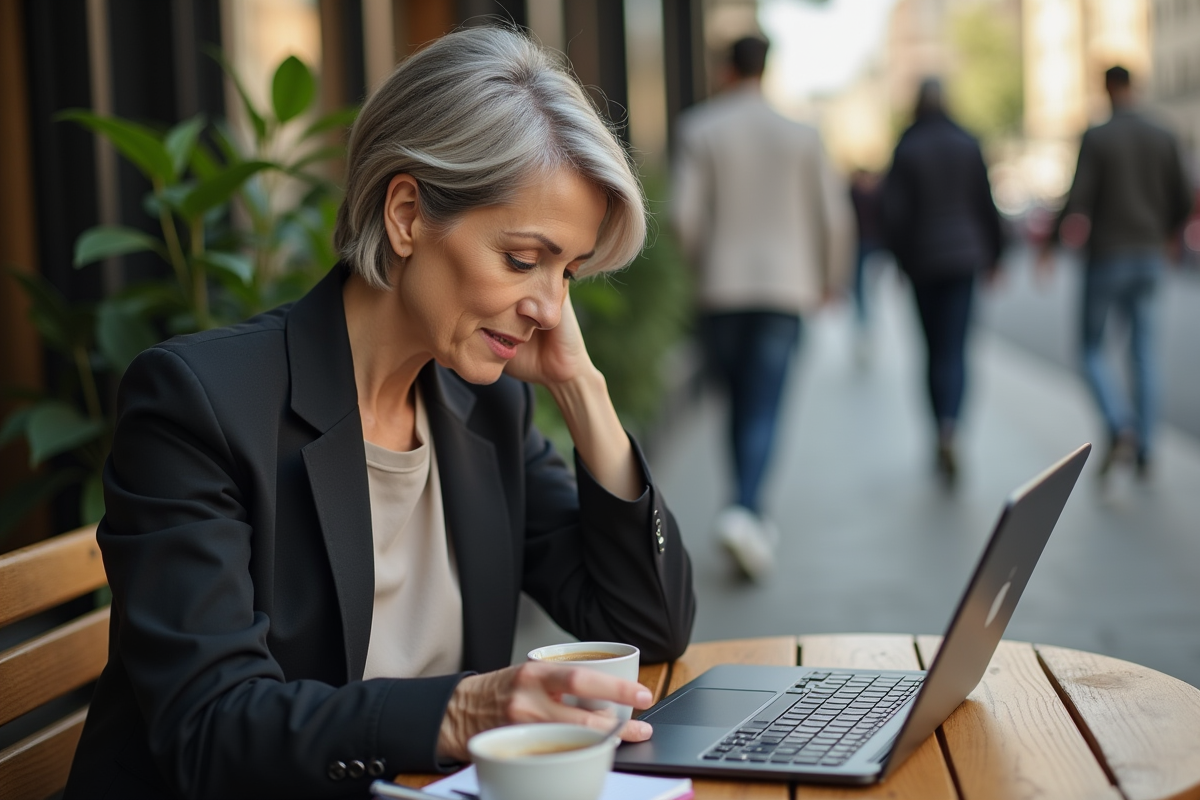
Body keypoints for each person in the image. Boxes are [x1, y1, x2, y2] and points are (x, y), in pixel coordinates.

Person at [64, 28, 695, 799]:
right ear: (405, 214)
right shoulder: (201, 405)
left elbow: (647, 626)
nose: (548, 306)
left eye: (569, 272)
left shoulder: (485, 409)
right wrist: (462, 711)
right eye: (524, 260)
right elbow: (211, 727)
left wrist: (582, 387)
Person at [671, 35, 853, 580]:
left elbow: (683, 216)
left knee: (736, 404)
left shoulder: (699, 128)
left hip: (720, 291)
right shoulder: (802, 133)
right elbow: (836, 218)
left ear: (727, 68)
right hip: (784, 289)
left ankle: (743, 508)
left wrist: (703, 265)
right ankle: (747, 510)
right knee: (764, 405)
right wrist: (829, 279)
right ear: (766, 67)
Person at [1039, 65, 1193, 480]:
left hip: (1107, 255)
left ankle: (1118, 423)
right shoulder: (1163, 133)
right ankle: (1145, 447)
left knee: (1090, 346)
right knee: (1144, 351)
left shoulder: (1098, 136)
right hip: (1148, 255)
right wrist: (1165, 233)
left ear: (1107, 88)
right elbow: (1183, 196)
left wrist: (1050, 244)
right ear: (1135, 86)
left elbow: (1078, 197)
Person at [882, 78, 1003, 486]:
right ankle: (952, 426)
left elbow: (892, 214)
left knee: (932, 351)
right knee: (955, 349)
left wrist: (898, 261)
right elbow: (985, 203)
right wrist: (996, 256)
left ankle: (939, 428)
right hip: (964, 258)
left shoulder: (907, 146)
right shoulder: (967, 142)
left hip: (922, 262)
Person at [849, 168, 887, 365]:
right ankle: (863, 329)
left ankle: (867, 328)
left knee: (869, 290)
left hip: (874, 248)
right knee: (860, 292)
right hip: (857, 249)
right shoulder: (852, 194)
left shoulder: (879, 194)